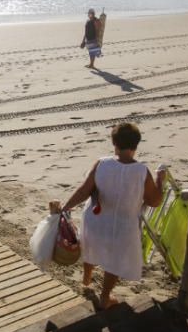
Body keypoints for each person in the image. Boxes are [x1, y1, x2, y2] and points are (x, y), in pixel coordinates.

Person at [61, 122, 165, 309]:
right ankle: (105, 297)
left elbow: (84, 190)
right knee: (115, 259)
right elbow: (154, 201)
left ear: (114, 143)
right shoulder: (141, 171)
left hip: (95, 219)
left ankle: (86, 279)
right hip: (123, 225)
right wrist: (160, 179)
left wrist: (67, 206)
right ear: (136, 145)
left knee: (91, 245)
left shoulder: (102, 163)